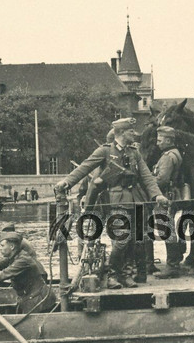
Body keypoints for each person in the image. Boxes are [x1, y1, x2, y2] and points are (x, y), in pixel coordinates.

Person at [54, 117, 168, 289]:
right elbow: (85, 167)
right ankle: (113, 274)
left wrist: (157, 196)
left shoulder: (134, 152)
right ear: (121, 133)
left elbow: (146, 177)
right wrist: (67, 182)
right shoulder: (105, 151)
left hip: (136, 201)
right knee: (121, 240)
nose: (134, 134)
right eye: (131, 131)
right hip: (117, 201)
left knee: (134, 241)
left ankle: (127, 274)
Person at [152, 126, 188, 279]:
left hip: (165, 197)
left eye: (160, 140)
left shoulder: (168, 156)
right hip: (171, 195)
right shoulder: (175, 153)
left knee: (166, 230)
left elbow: (162, 180)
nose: (157, 143)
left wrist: (147, 185)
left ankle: (172, 266)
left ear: (168, 140)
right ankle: (175, 262)